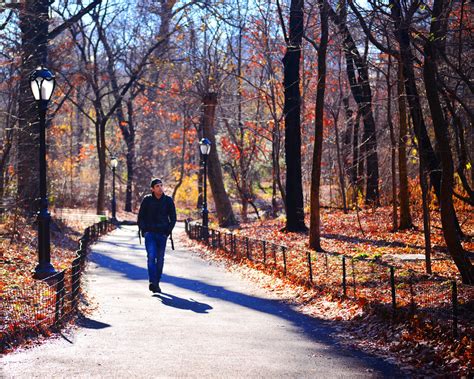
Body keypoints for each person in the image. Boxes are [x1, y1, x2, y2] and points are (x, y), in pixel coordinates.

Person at [137, 178, 176, 293]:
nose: (160, 188)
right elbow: (141, 217)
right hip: (150, 234)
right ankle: (152, 281)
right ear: (152, 189)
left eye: (161, 185)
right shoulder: (147, 200)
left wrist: (167, 232)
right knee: (151, 256)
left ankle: (156, 281)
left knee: (160, 259)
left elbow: (173, 218)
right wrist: (144, 230)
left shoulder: (168, 200)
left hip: (162, 234)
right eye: (157, 186)